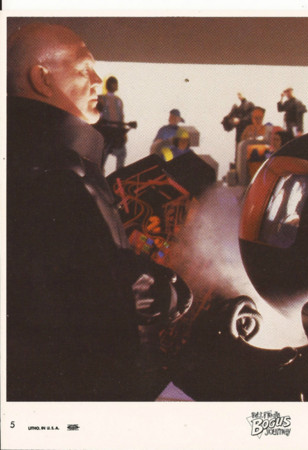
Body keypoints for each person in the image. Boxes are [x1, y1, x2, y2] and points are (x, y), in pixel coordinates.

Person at [7, 23, 191, 401]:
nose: (97, 80)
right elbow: (87, 301)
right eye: (84, 68)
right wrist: (159, 290)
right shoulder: (59, 171)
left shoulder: (32, 157)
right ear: (42, 79)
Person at [95, 76, 128, 169]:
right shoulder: (101, 99)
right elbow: (98, 115)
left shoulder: (118, 101)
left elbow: (121, 117)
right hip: (105, 132)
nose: (115, 86)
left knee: (122, 153)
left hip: (116, 132)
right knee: (102, 157)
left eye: (115, 84)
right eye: (113, 83)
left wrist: (123, 133)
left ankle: (119, 174)